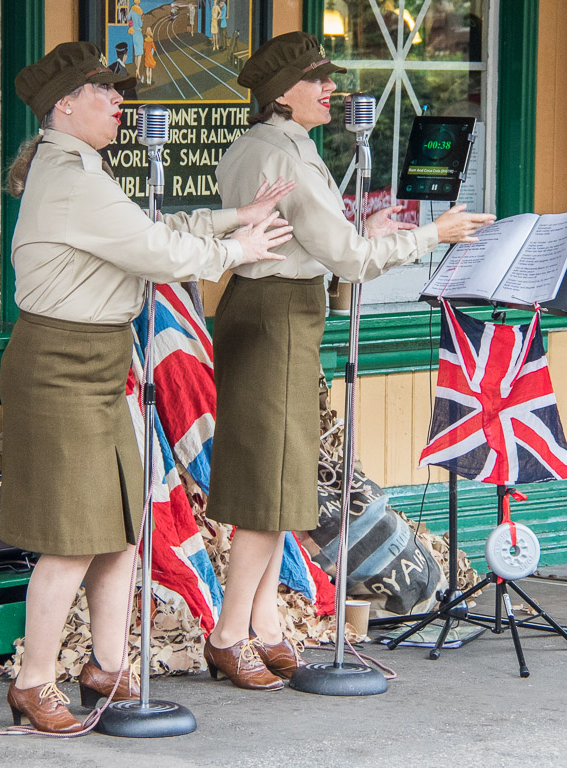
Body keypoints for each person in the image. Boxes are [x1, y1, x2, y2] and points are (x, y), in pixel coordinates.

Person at [0, 41, 295, 732]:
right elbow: (156, 253)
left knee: (119, 528)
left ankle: (104, 667)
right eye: (106, 93)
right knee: (72, 535)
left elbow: (152, 227)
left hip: (100, 361)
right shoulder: (70, 175)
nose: (120, 103)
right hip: (60, 363)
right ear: (64, 104)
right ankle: (33, 682)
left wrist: (231, 219)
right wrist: (236, 252)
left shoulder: (84, 169)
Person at [205, 31, 497, 691]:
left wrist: (358, 236)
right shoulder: (291, 158)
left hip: (264, 309)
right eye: (318, 79)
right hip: (278, 317)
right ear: (281, 92)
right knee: (270, 489)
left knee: (277, 482)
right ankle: (229, 636)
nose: (331, 89)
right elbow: (346, 260)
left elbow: (316, 243)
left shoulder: (256, 146)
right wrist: (434, 233)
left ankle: (266, 628)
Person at [127, 0, 144, 80]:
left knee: (136, 52)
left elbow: (127, 17)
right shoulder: (140, 11)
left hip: (134, 33)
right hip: (138, 32)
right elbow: (141, 24)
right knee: (139, 53)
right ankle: (137, 69)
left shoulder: (132, 9)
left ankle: (136, 70)